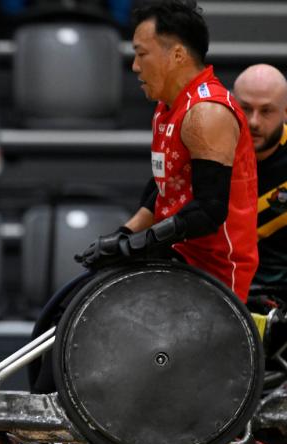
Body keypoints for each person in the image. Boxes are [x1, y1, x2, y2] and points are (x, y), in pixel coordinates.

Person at [75, 0, 257, 303]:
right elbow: (162, 190)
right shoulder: (166, 108)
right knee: (80, 300)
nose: (134, 66)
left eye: (141, 54)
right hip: (178, 258)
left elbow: (209, 210)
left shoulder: (206, 113)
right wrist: (122, 234)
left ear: (176, 55)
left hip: (214, 276)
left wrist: (140, 244)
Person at [233, 64, 287, 288]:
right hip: (218, 288)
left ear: (285, 112)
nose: (254, 122)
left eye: (266, 111)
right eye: (245, 108)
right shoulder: (208, 150)